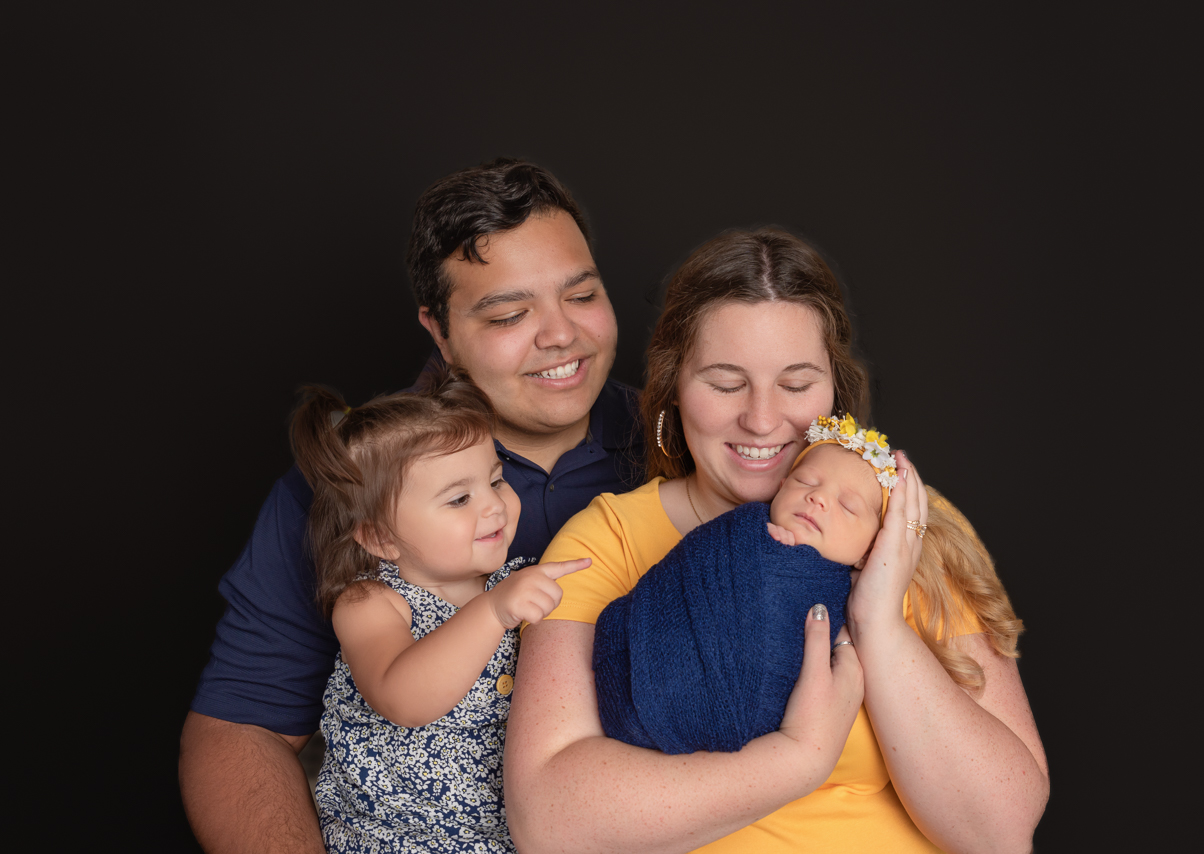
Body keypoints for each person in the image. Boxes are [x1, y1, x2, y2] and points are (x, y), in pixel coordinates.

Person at [504, 228, 1049, 853]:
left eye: (795, 386)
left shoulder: (906, 526)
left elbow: (1001, 833)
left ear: (835, 395)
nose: (762, 420)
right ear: (673, 387)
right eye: (726, 383)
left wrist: (878, 621)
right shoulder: (610, 540)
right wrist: (797, 761)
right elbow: (548, 823)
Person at [180, 158, 646, 853]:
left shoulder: (685, 453)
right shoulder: (350, 482)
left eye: (581, 296)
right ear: (439, 330)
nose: (560, 335)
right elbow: (240, 727)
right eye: (511, 314)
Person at [290, 372, 589, 852]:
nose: (494, 505)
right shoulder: (371, 603)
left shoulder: (516, 581)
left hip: (507, 836)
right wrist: (492, 612)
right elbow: (403, 698)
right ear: (380, 538)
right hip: (395, 838)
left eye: (496, 480)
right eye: (459, 499)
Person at [592, 415, 901, 754]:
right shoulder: (744, 529)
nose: (819, 498)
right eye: (805, 481)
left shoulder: (866, 600)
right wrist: (760, 550)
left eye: (847, 506)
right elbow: (691, 568)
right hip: (633, 678)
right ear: (781, 488)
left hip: (731, 727)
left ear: (871, 549)